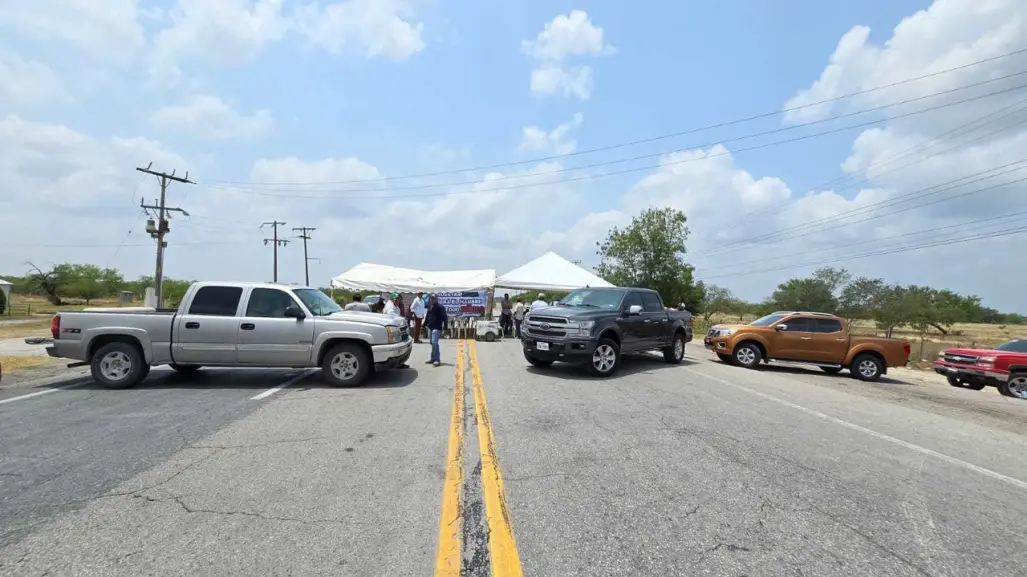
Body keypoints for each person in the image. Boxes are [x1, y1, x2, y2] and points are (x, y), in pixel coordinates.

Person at [424, 294, 448, 367]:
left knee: (434, 343)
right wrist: (423, 325)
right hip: (430, 327)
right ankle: (433, 358)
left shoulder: (440, 307)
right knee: (432, 343)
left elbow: (445, 317)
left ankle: (437, 360)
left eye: (434, 298)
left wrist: (445, 327)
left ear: (437, 299)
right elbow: (427, 317)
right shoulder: (430, 307)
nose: (432, 300)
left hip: (437, 328)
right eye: (431, 298)